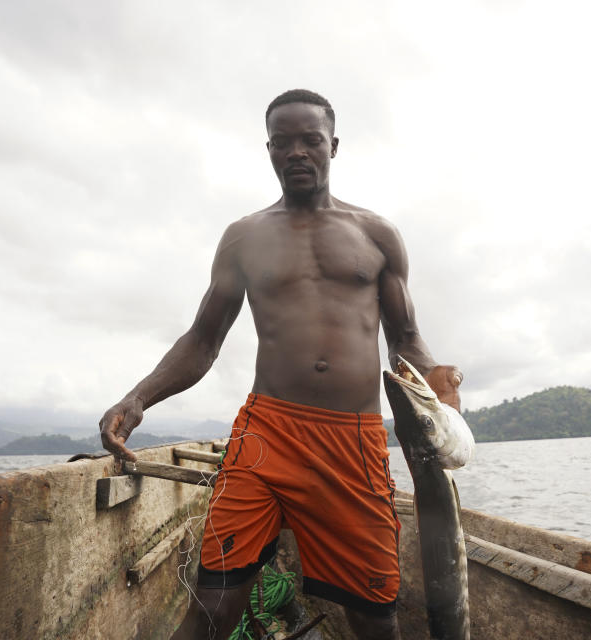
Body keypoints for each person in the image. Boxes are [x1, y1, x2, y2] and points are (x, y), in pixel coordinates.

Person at [99, 89, 462, 640]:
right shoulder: (245, 237)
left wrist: (438, 382)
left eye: (310, 140)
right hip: (267, 435)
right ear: (268, 149)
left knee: (374, 618)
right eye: (283, 142)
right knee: (213, 605)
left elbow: (406, 339)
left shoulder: (377, 235)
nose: (297, 152)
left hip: (353, 443)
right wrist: (138, 396)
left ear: (333, 146)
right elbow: (203, 339)